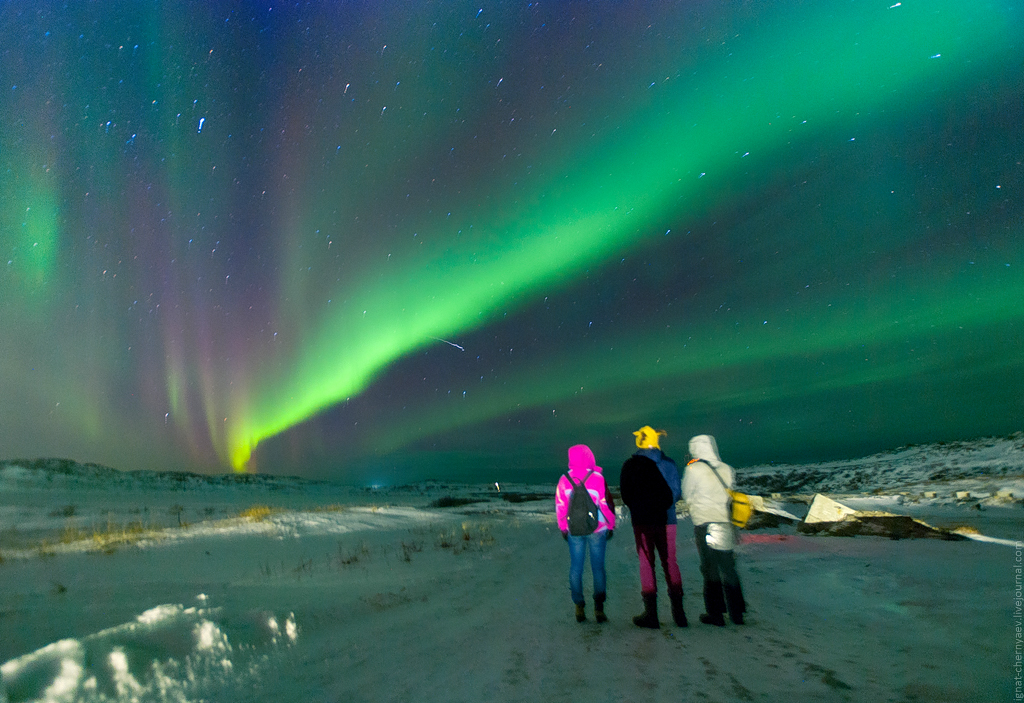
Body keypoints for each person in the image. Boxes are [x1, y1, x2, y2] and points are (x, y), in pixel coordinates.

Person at [619, 426, 687, 628]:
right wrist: (662, 506)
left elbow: (626, 495)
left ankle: (651, 614)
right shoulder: (669, 464)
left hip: (642, 522)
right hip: (668, 520)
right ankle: (679, 613)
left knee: (647, 564)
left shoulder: (630, 465)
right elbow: (676, 492)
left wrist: (641, 507)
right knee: (670, 562)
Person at [683, 434, 747, 626]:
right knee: (728, 568)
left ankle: (715, 613)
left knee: (710, 569)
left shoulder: (693, 469)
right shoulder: (727, 469)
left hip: (705, 524)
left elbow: (686, 494)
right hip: (724, 523)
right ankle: (737, 613)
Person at [555, 444, 616, 623]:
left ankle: (579, 607)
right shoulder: (597, 477)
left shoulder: (564, 479)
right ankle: (599, 608)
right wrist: (610, 525)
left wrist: (563, 528)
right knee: (598, 568)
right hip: (598, 529)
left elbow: (560, 506)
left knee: (576, 568)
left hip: (574, 529)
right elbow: (604, 505)